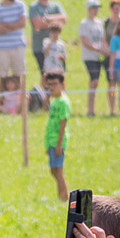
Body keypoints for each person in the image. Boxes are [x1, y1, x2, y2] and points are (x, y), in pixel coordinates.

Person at [0, 0, 27, 112]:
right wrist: (14, 25)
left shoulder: (21, 5)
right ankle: (1, 104)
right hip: (3, 47)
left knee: (18, 75)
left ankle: (18, 106)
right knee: (3, 76)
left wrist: (6, 25)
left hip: (18, 45)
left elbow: (23, 23)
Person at [43, 69, 72, 200]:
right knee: (53, 170)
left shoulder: (63, 102)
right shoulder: (54, 100)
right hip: (52, 141)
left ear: (62, 84)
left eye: (55, 84)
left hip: (58, 141)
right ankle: (62, 195)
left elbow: (63, 124)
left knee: (58, 171)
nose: (52, 87)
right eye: (49, 84)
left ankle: (65, 197)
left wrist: (59, 144)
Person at [28, 0, 65, 81]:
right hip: (40, 47)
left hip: (57, 47)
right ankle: (45, 96)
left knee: (59, 75)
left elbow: (64, 19)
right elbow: (37, 25)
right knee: (45, 75)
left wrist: (48, 18)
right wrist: (56, 21)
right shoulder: (34, 7)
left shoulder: (56, 5)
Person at [77, 0, 107, 115]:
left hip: (99, 56)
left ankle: (92, 108)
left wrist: (104, 50)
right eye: (94, 8)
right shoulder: (84, 23)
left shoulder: (100, 23)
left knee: (97, 81)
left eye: (97, 8)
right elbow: (85, 41)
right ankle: (90, 109)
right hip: (89, 56)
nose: (96, 10)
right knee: (93, 81)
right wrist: (98, 49)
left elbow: (102, 39)